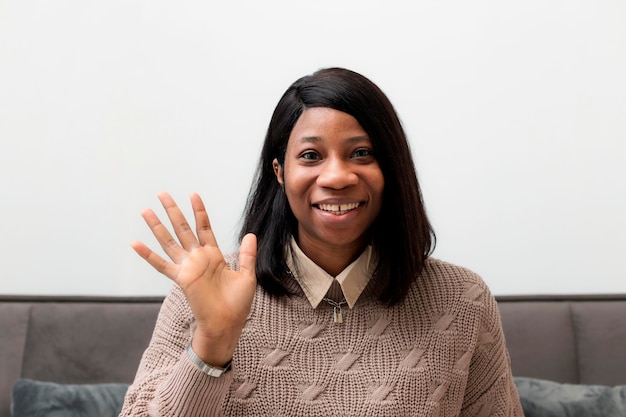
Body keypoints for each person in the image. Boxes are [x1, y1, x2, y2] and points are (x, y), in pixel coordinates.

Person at [119, 67, 523, 416]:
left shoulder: (462, 299)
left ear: (391, 168)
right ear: (279, 171)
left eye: (362, 153)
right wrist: (212, 343)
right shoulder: (205, 291)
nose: (336, 177)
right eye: (311, 156)